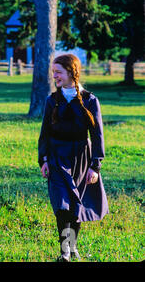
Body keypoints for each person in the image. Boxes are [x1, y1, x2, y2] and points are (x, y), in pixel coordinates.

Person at [38, 54, 109, 262]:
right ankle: (65, 252)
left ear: (71, 72)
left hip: (82, 159)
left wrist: (95, 166)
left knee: (76, 207)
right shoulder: (52, 101)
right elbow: (45, 133)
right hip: (57, 158)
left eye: (58, 72)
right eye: (53, 72)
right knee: (61, 206)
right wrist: (43, 160)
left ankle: (71, 246)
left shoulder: (90, 100)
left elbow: (97, 136)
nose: (55, 76)